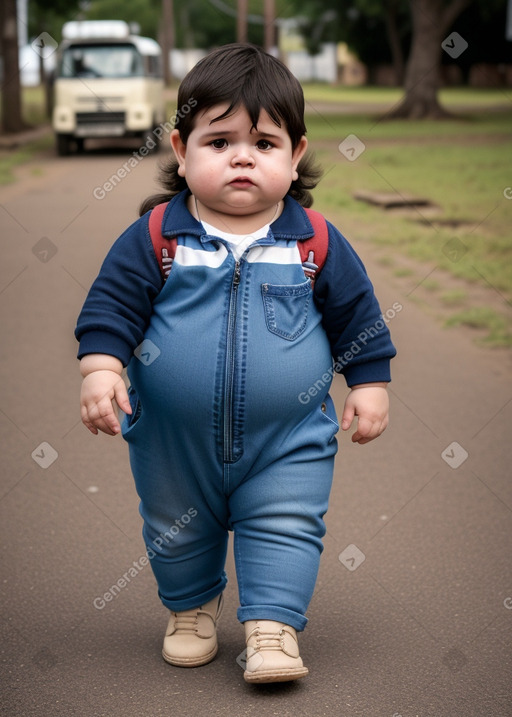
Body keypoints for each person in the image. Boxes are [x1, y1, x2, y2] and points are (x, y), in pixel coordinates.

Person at [76, 43, 396, 684]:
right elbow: (109, 307)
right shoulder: (157, 239)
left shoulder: (316, 243)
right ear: (180, 148)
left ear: (296, 153)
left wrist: (368, 382)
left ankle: (273, 626)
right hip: (172, 438)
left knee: (286, 521)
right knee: (173, 525)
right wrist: (102, 368)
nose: (242, 157)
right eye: (218, 142)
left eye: (264, 143)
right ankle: (190, 608)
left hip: (289, 439)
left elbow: (359, 320)